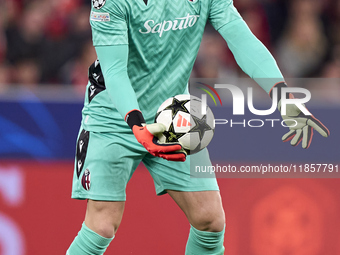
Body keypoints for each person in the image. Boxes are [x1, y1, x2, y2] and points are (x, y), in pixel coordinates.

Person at [66, 0, 330, 254]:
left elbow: (240, 37)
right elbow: (114, 71)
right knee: (102, 225)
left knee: (209, 220)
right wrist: (136, 125)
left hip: (172, 116)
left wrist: (282, 95)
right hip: (113, 117)